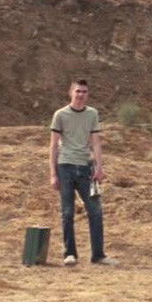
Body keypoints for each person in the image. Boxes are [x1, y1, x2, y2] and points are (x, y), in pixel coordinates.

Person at [49, 79, 112, 266]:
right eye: (78, 91)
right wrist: (53, 173)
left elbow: (95, 142)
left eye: (84, 92)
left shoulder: (92, 114)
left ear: (88, 94)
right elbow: (53, 145)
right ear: (71, 92)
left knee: (95, 210)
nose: (81, 95)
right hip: (65, 166)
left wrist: (99, 167)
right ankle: (70, 254)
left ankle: (98, 255)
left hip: (85, 167)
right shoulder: (60, 115)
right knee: (67, 212)